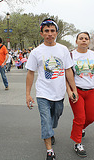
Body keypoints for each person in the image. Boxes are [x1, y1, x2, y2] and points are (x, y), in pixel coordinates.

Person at [25, 18, 78, 160]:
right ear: (41, 33)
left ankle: (50, 131)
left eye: (52, 31)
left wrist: (74, 90)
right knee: (46, 121)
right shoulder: (36, 52)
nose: (49, 34)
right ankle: (49, 151)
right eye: (46, 31)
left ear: (57, 33)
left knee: (55, 117)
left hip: (59, 93)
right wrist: (28, 94)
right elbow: (30, 73)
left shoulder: (63, 49)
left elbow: (68, 70)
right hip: (43, 92)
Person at [67, 32, 94, 157]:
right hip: (77, 91)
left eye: (86, 39)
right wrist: (70, 91)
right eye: (81, 38)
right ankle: (77, 143)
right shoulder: (71, 55)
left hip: (91, 91)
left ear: (89, 41)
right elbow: (67, 74)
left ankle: (80, 128)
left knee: (91, 118)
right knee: (80, 118)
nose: (84, 40)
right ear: (76, 41)